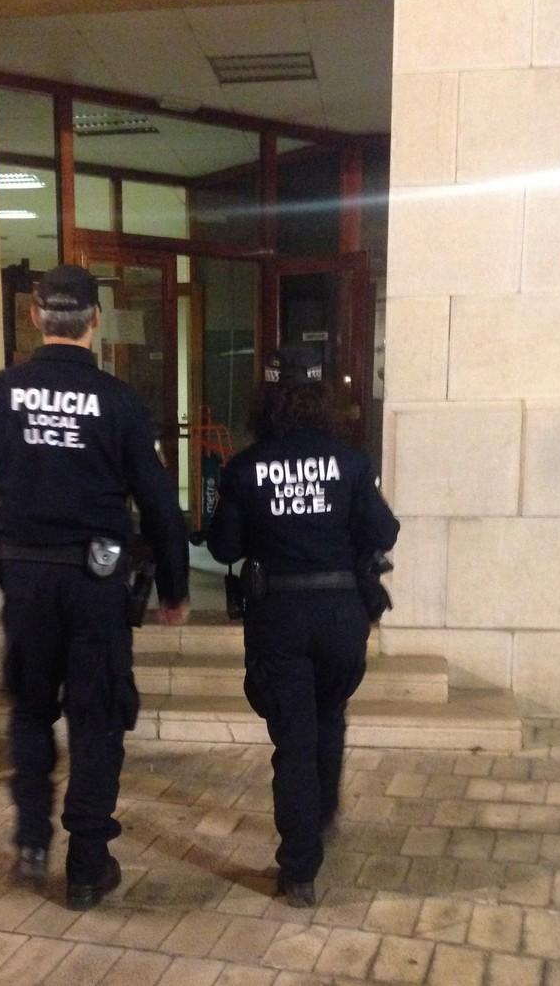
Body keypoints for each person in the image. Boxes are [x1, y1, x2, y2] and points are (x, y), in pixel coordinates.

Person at [0, 264, 190, 911]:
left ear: (35, 317)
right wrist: (173, 587)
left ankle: (31, 841)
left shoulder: (1, 393)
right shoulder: (117, 400)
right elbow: (160, 506)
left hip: (26, 579)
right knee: (96, 716)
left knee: (30, 708)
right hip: (95, 584)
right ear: (95, 321)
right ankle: (86, 866)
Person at [206, 345, 399, 907]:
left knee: (293, 741)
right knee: (329, 714)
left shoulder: (246, 467)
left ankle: (299, 870)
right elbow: (383, 532)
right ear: (322, 398)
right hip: (341, 614)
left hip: (279, 616)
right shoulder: (350, 462)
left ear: (267, 398)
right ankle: (323, 812)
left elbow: (224, 547)